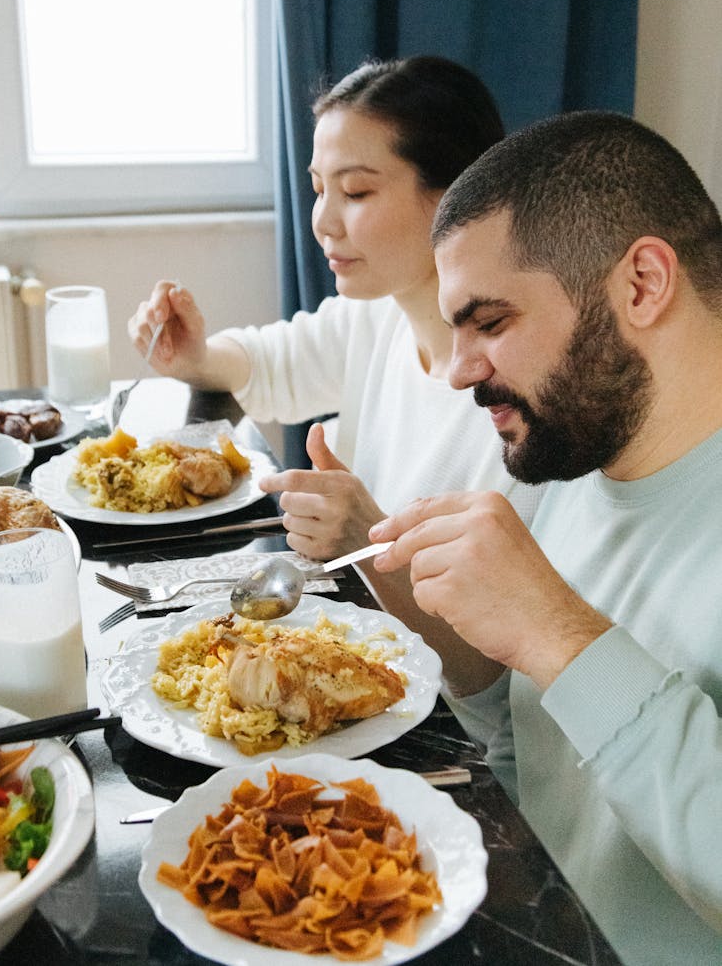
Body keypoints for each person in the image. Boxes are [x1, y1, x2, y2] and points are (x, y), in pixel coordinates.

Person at [370, 110, 722, 965]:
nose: (457, 369)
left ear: (642, 283)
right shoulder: (571, 458)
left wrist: (557, 632)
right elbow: (540, 760)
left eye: (490, 322)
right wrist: (460, 644)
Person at [128, 55, 544, 693]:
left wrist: (370, 540)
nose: (322, 221)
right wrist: (195, 358)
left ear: (457, 195)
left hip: (449, 719)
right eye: (319, 187)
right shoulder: (378, 317)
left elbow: (487, 677)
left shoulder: (515, 399)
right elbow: (273, 362)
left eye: (356, 192)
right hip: (369, 658)